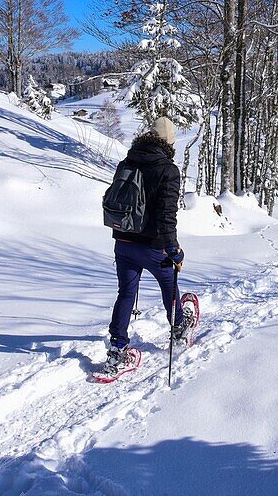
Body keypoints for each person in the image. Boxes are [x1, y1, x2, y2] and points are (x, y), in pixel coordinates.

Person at [102, 116, 194, 375]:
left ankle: (117, 349)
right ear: (169, 142)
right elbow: (166, 217)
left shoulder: (128, 160)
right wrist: (175, 251)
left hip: (123, 241)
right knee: (169, 285)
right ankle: (178, 328)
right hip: (153, 247)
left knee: (126, 293)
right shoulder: (168, 169)